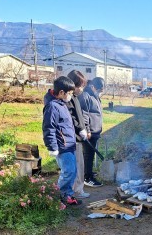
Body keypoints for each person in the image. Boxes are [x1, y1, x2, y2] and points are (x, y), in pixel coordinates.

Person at [43, 76, 81, 205]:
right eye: (69, 93)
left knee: (72, 171)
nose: (70, 96)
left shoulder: (61, 104)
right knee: (68, 172)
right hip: (62, 146)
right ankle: (60, 195)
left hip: (69, 145)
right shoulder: (52, 107)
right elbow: (49, 128)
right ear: (61, 93)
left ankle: (67, 194)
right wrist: (52, 147)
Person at [67, 70, 90, 199]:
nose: (81, 89)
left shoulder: (74, 97)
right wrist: (80, 129)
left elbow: (80, 116)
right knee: (75, 166)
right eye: (80, 86)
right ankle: (75, 191)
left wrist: (84, 128)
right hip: (73, 138)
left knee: (79, 165)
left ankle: (78, 189)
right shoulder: (67, 99)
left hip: (79, 137)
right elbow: (71, 117)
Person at [79, 77, 105, 187]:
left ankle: (88, 171)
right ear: (93, 87)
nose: (100, 92)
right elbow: (84, 115)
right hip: (90, 132)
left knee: (90, 154)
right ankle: (87, 177)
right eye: (99, 90)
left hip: (95, 131)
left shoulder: (94, 96)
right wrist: (88, 130)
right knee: (88, 155)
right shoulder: (86, 96)